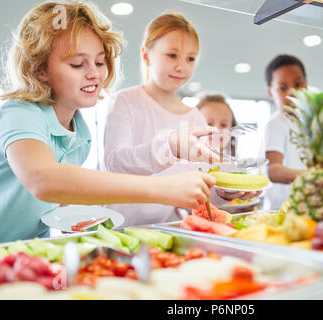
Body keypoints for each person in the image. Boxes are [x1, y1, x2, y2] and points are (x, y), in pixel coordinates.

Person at [0, 2, 215, 244]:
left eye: (99, 62)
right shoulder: (18, 113)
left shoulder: (79, 132)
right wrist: (163, 188)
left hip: (24, 247)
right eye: (77, 64)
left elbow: (63, 194)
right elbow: (43, 179)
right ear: (39, 69)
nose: (94, 74)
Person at [104, 13, 256, 224]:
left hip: (169, 227)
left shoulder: (195, 117)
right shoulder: (127, 100)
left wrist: (224, 193)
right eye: (172, 55)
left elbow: (199, 188)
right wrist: (169, 147)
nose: (181, 66)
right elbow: (115, 161)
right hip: (121, 225)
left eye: (190, 58)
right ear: (146, 55)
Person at [264, 54, 309, 210]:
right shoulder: (275, 123)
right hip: (285, 209)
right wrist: (314, 176)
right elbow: (274, 170)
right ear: (271, 92)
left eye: (298, 84)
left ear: (306, 84)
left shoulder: (308, 123)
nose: (292, 92)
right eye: (283, 88)